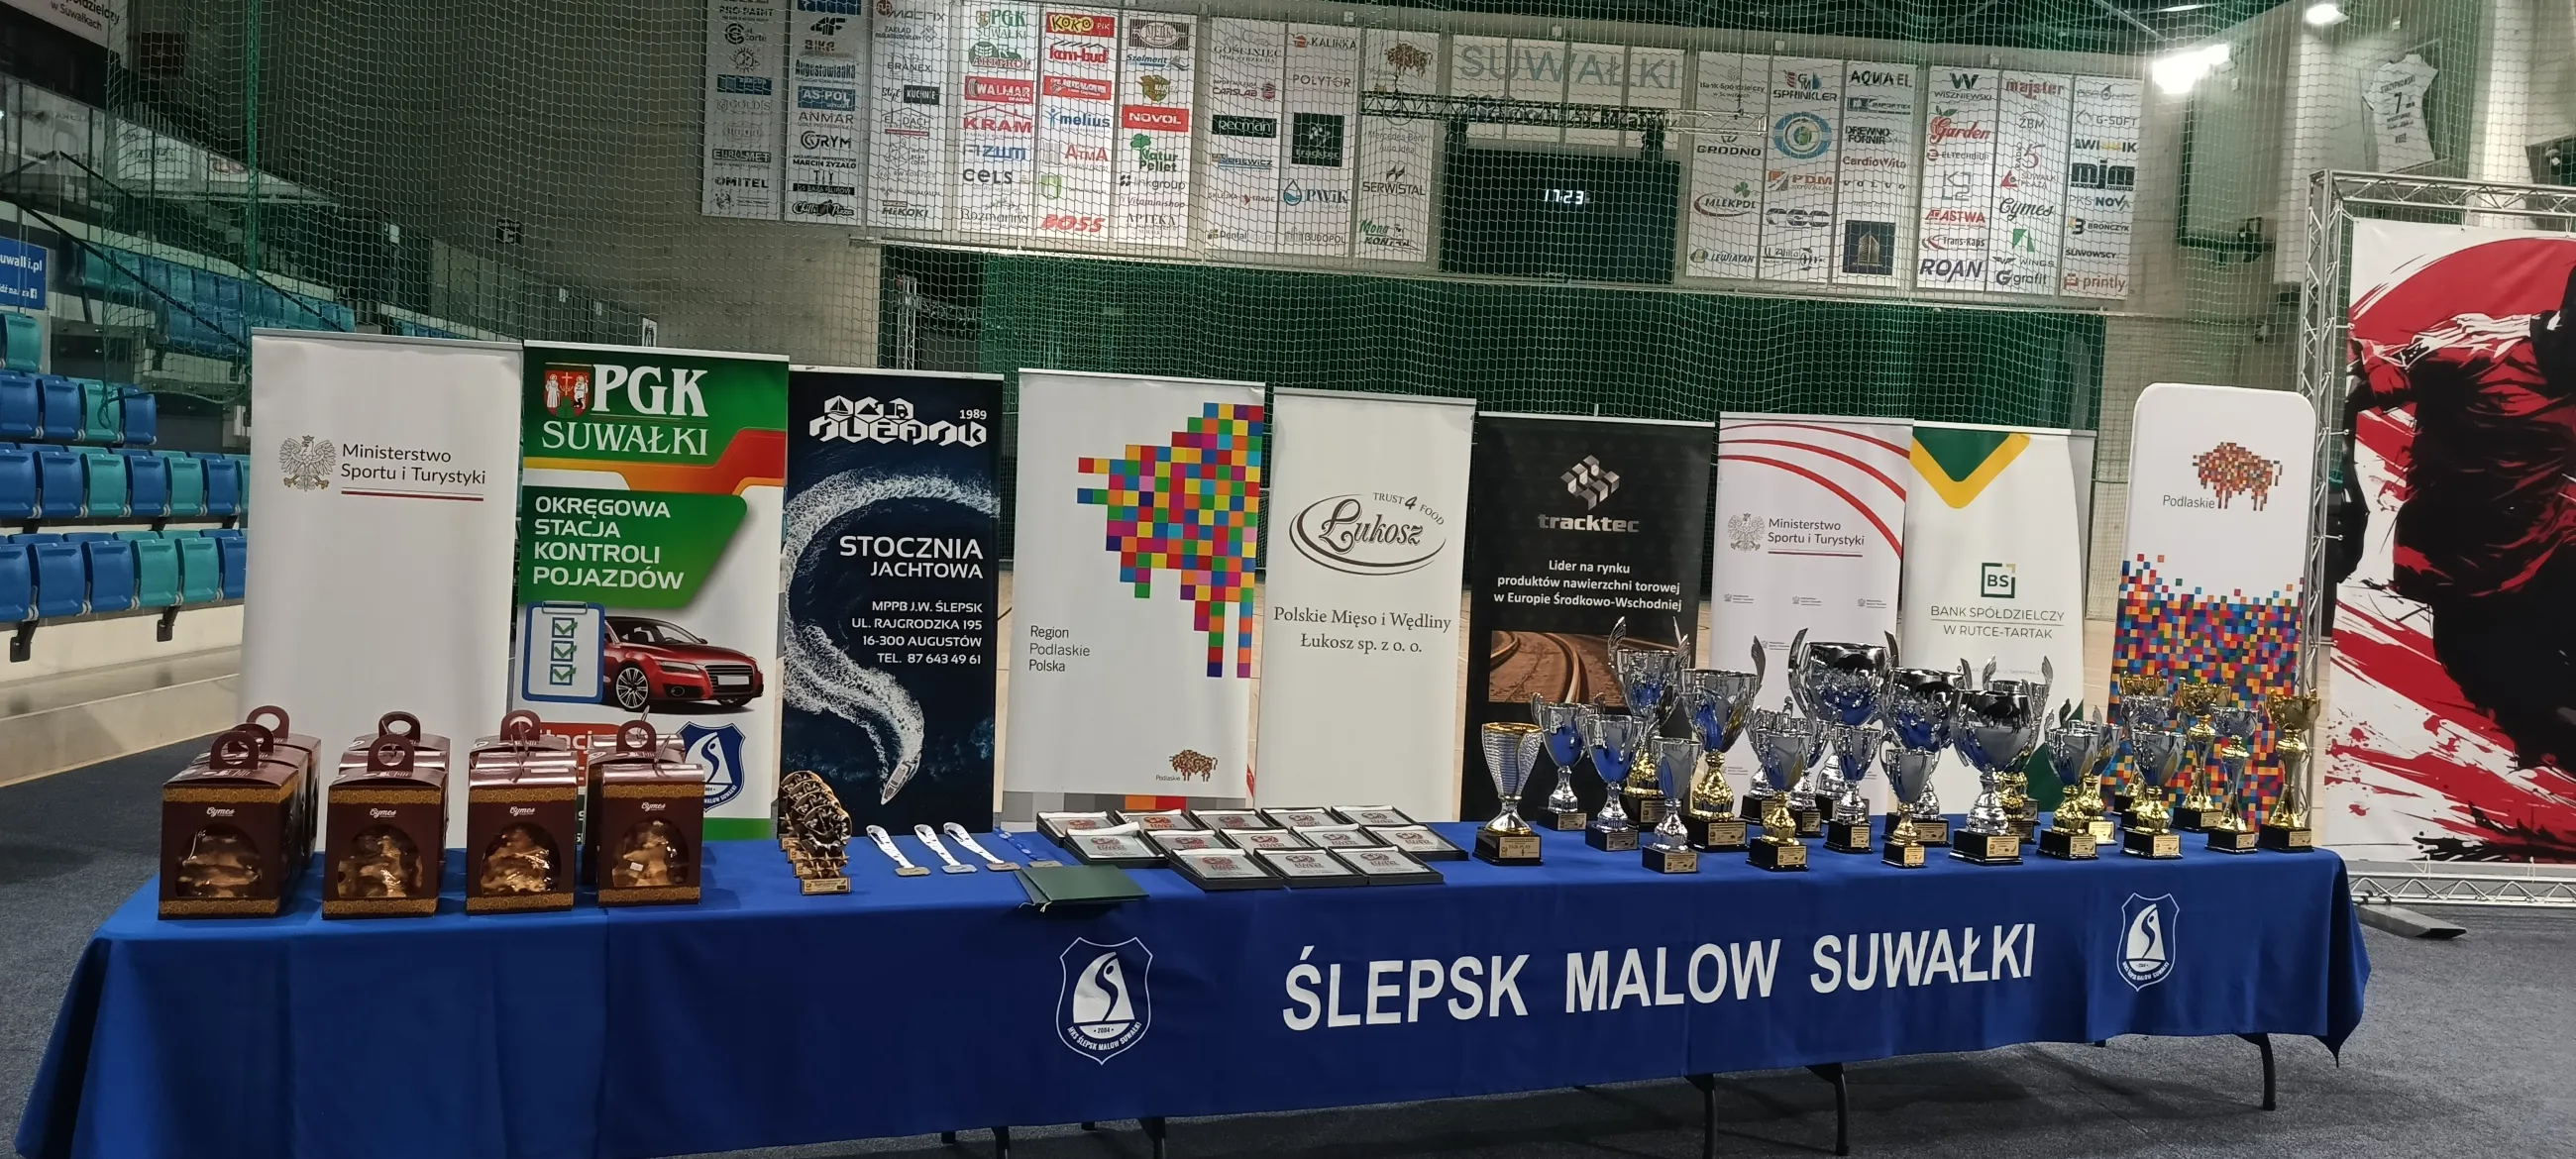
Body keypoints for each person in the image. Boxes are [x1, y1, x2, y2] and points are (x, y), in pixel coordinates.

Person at [2349, 267, 2576, 768]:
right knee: (2537, 714)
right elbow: (2353, 386)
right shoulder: (2471, 350)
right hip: (2462, 576)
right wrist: (2338, 478)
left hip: (2551, 550)